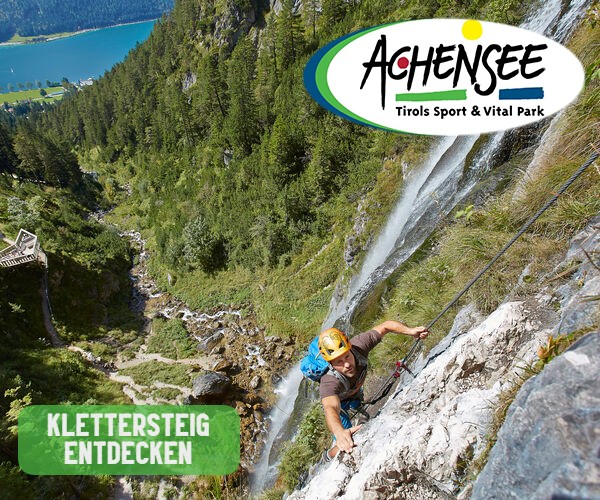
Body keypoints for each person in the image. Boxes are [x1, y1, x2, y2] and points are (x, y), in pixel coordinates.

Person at [318, 320, 429, 461]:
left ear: (349, 348)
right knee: (347, 440)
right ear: (331, 364)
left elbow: (385, 326)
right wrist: (339, 433)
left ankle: (359, 410)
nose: (346, 364)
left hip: (355, 392)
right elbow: (331, 407)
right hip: (341, 406)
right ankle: (328, 455)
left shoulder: (359, 346)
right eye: (338, 362)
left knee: (359, 408)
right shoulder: (329, 382)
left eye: (347, 356)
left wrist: (411, 331)